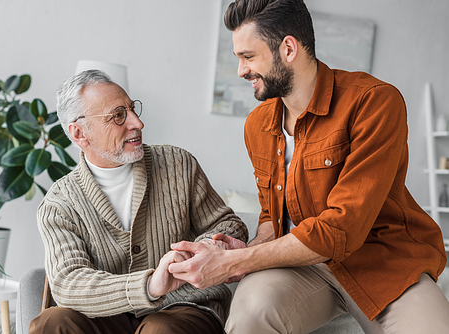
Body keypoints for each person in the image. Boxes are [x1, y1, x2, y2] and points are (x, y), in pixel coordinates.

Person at [169, 0, 449, 333]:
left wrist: (233, 261)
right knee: (249, 318)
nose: (242, 71)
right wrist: (251, 249)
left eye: (248, 56)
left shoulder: (374, 102)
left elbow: (342, 229)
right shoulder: (257, 125)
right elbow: (273, 220)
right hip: (299, 267)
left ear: (288, 48)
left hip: (383, 260)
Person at [28, 69, 248, 334]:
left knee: (160, 330)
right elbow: (68, 283)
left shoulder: (178, 164)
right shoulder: (59, 203)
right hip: (104, 316)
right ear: (79, 134)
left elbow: (229, 225)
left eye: (132, 109)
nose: (137, 123)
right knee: (52, 323)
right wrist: (149, 285)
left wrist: (198, 249)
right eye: (118, 115)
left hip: (183, 309)